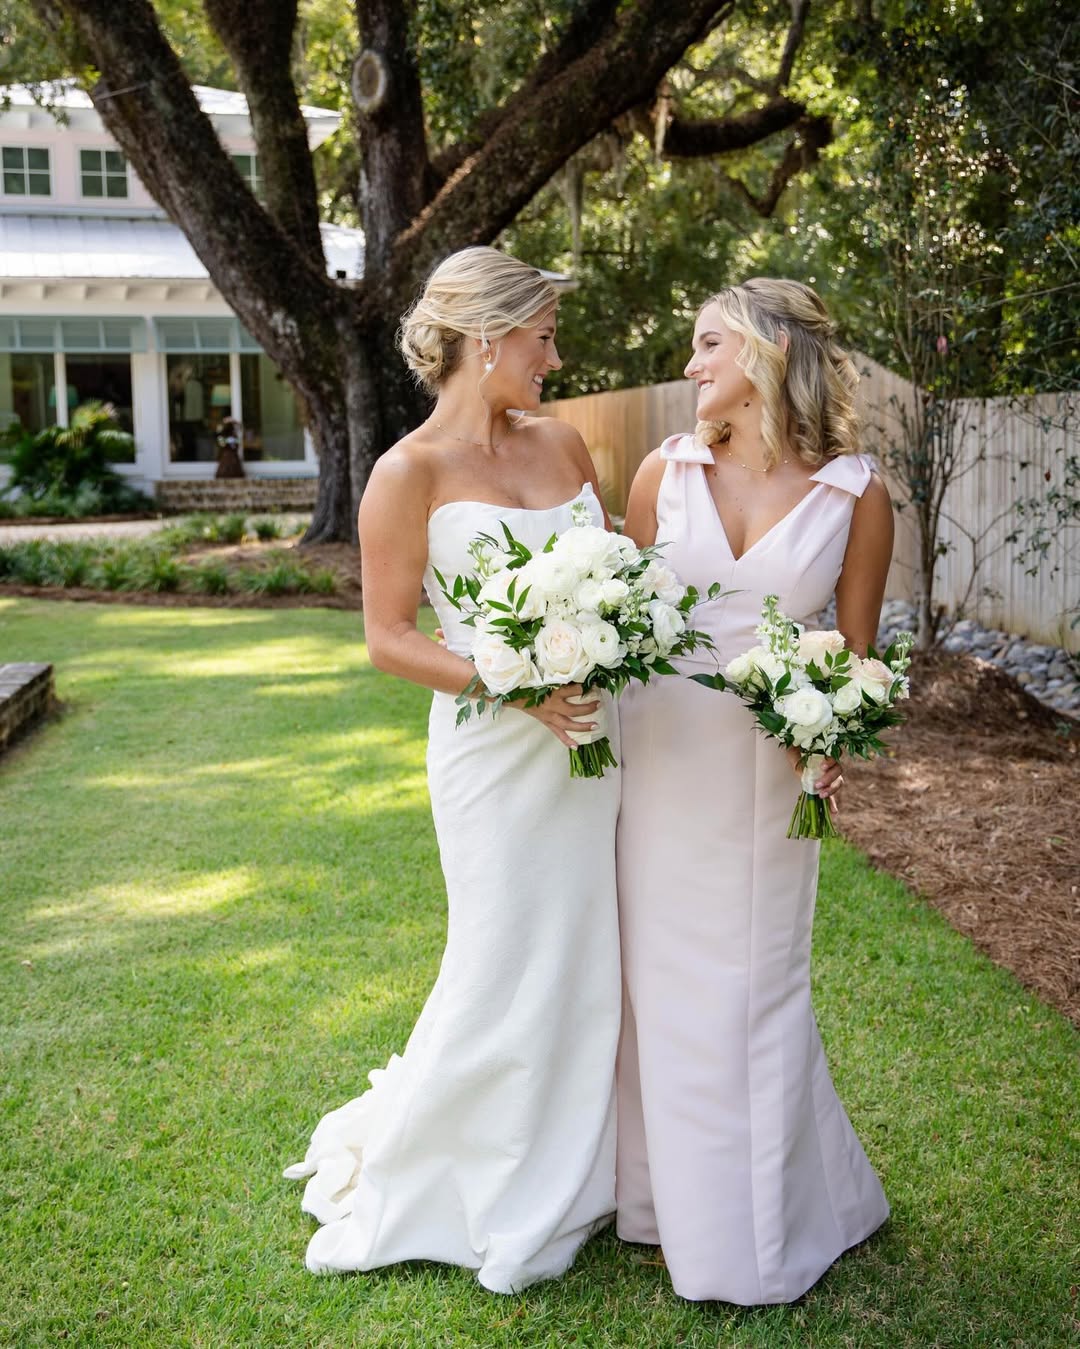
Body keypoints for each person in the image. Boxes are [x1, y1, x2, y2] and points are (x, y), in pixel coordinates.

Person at [284, 247, 621, 1293]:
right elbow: (388, 635)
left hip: (596, 741)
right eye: (543, 338)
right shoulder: (406, 473)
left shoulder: (565, 444)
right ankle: (472, 1168)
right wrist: (512, 681)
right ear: (489, 339)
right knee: (503, 954)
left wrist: (607, 644)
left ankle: (586, 1161)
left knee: (585, 953)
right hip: (492, 753)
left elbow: (613, 580)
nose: (553, 359)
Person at [615, 278, 894, 1304]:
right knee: (658, 983)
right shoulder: (664, 473)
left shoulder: (858, 495)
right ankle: (655, 1202)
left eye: (704, 346)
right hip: (659, 761)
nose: (689, 367)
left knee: (754, 986)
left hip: (771, 780)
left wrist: (829, 738)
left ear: (768, 352)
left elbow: (859, 659)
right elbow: (632, 624)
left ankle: (762, 1230)